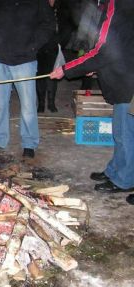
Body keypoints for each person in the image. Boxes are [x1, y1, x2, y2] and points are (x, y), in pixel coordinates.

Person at [50, 0, 134, 194]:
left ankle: (125, 180)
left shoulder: (117, 6)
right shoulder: (115, 6)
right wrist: (97, 69)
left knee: (126, 134)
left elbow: (103, 51)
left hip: (128, 83)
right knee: (120, 133)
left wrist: (66, 69)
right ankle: (116, 171)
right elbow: (119, 49)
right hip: (123, 77)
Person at [0, 0, 55, 158]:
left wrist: (33, 45)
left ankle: (29, 143)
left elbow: (48, 24)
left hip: (25, 60)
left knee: (28, 106)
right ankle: (0, 140)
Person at [36, 0, 60, 113]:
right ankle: (41, 103)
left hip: (53, 48)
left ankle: (51, 103)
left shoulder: (60, 10)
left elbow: (66, 28)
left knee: (53, 76)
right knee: (40, 76)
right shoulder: (37, 8)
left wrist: (60, 43)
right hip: (39, 48)